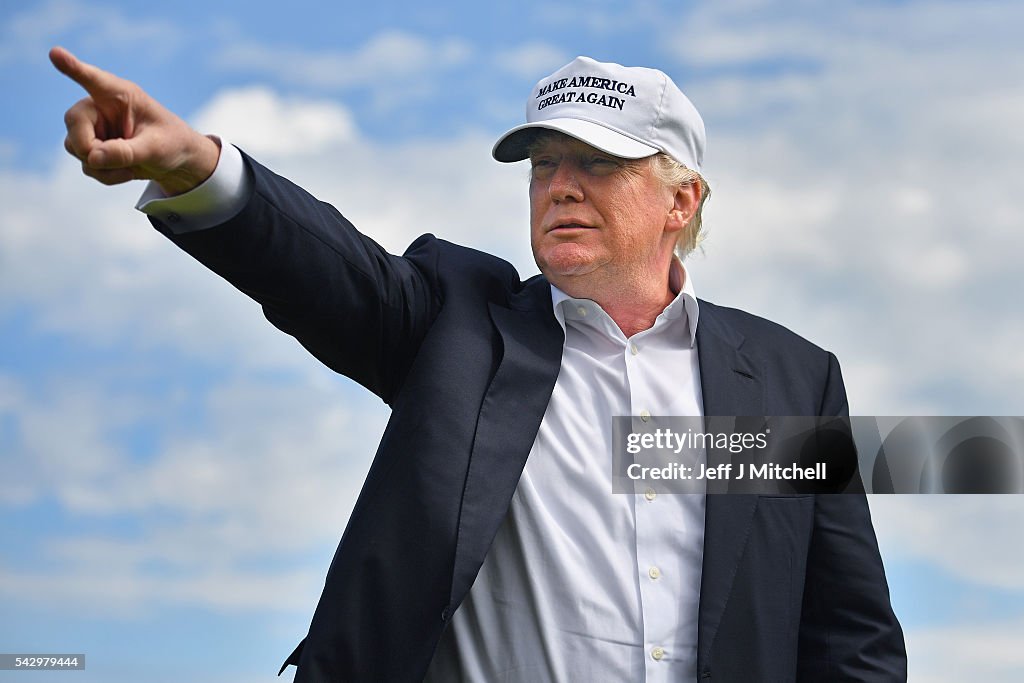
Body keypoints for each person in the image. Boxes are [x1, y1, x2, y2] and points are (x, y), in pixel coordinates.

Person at [52, 46, 907, 682]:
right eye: (544, 166)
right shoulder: (461, 330)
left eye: (598, 164)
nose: (560, 186)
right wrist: (198, 166)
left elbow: (850, 637)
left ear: (681, 199)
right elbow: (325, 268)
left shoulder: (789, 380)